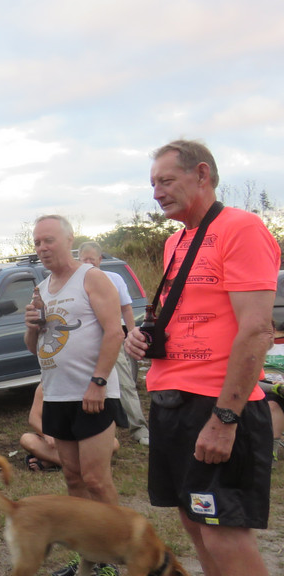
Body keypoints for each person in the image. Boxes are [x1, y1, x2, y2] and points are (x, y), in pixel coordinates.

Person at [125, 140, 278, 576]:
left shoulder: (241, 228)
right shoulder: (175, 242)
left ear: (202, 174)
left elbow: (257, 330)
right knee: (195, 524)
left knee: (223, 534)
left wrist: (225, 419)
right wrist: (142, 336)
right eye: (153, 184)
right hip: (171, 400)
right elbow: (188, 314)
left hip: (217, 404)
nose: (157, 192)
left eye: (166, 180)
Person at [25, 215, 124, 576]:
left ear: (69, 240)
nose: (42, 248)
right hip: (56, 394)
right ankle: (87, 559)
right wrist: (31, 326)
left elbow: (115, 332)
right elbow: (34, 346)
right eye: (37, 242)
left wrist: (98, 382)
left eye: (49, 240)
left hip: (92, 393)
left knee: (96, 480)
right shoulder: (42, 288)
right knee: (73, 479)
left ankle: (117, 559)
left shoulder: (91, 277)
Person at [78, 242, 150, 446]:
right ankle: (95, 431)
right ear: (79, 260)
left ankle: (139, 429)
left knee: (125, 383)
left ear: (100, 260)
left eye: (92, 259)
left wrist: (131, 333)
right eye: (84, 259)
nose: (88, 263)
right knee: (85, 387)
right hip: (83, 342)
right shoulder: (74, 281)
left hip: (110, 338)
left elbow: (126, 308)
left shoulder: (114, 278)